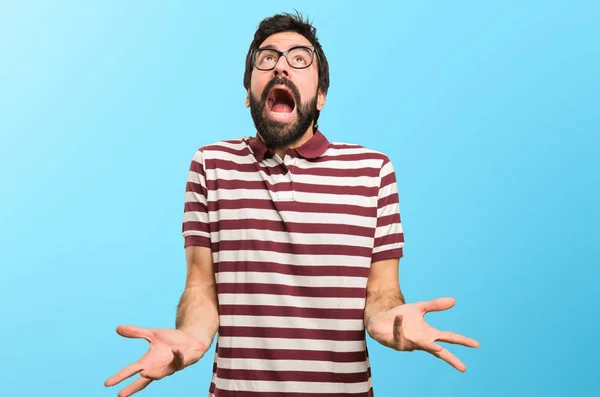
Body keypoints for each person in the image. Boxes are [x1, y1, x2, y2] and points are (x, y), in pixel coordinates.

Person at [104, 11, 479, 397]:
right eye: (266, 59)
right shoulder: (210, 165)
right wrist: (189, 336)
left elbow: (381, 291)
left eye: (300, 59)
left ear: (320, 97)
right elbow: (201, 288)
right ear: (248, 91)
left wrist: (388, 320)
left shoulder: (372, 170)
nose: (281, 67)